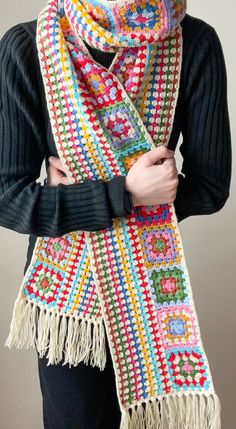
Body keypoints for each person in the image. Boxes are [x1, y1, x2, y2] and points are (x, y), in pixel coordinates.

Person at [0, 9, 231, 429]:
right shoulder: (28, 47)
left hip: (150, 292)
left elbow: (212, 185)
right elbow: (6, 195)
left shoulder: (193, 43)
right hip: (68, 312)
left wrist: (90, 198)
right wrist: (125, 196)